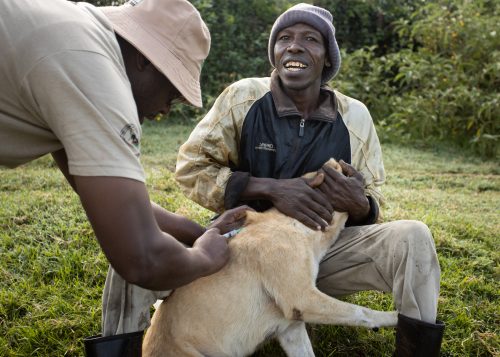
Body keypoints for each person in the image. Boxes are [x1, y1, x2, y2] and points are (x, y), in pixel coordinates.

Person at [175, 3, 445, 356]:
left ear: (327, 59)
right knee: (142, 249)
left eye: (310, 39)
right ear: (274, 52)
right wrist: (270, 188)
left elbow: (374, 197)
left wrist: (360, 205)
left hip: (322, 257)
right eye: (284, 38)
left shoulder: (355, 117)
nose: (294, 46)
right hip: (241, 253)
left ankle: (416, 350)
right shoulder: (244, 97)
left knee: (414, 236)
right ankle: (121, 347)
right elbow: (191, 167)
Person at [0, 0, 250, 355]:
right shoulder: (95, 74)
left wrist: (198, 233)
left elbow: (119, 203)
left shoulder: (78, 32)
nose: (165, 108)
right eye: (172, 92)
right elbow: (142, 258)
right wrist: (206, 259)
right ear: (146, 59)